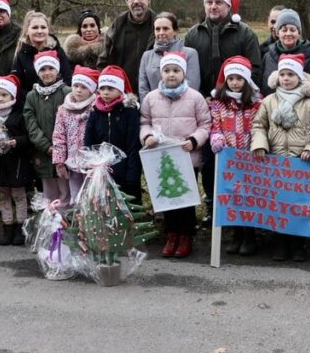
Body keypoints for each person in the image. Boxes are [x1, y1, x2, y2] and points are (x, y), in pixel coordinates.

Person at [184, 0, 262, 226]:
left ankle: (241, 209)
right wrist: (200, 96)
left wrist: (237, 95)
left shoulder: (245, 33)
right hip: (204, 106)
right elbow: (188, 71)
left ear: (228, 6)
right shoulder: (193, 34)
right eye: (209, 2)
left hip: (238, 107)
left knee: (240, 160)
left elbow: (255, 69)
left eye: (218, 2)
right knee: (209, 159)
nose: (213, 6)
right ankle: (212, 205)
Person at [251, 53, 310, 262]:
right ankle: (280, 242)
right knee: (278, 203)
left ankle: (298, 244)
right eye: (283, 74)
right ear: (277, 77)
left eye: (291, 74)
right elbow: (259, 125)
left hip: (302, 162)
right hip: (276, 160)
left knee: (299, 204)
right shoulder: (269, 101)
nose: (286, 78)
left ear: (300, 77)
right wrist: (260, 144)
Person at [140, 52, 210, 259]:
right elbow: (144, 122)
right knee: (166, 197)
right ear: (161, 73)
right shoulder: (151, 98)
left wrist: (194, 140)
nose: (171, 74)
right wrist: (147, 136)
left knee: (185, 198)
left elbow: (205, 124)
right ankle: (171, 235)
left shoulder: (195, 97)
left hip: (186, 156)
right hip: (161, 157)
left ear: (183, 73)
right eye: (167, 70)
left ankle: (186, 235)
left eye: (176, 70)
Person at [209, 56, 263, 257]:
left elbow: (260, 127)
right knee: (231, 196)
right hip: (229, 158)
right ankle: (235, 234)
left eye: (239, 78)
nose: (234, 82)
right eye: (230, 79)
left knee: (248, 197)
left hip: (250, 157)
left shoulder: (256, 103)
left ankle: (250, 236)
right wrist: (216, 138)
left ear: (246, 80)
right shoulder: (219, 103)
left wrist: (257, 146)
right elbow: (216, 125)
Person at [0, 74, 31, 246]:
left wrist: (17, 141)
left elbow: (28, 136)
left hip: (16, 162)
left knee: (18, 195)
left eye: (4, 95)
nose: (0, 98)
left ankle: (21, 227)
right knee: (3, 194)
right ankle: (7, 226)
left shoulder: (20, 113)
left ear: (12, 95)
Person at [84, 65, 142, 202]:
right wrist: (92, 164)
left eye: (110, 89)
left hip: (125, 168)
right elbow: (89, 140)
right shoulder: (95, 111)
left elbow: (133, 144)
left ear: (120, 89)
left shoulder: (129, 111)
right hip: (102, 169)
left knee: (127, 200)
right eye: (102, 88)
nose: (105, 93)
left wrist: (132, 173)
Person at [23, 50, 71, 208]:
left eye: (51, 68)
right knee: (49, 191)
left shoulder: (67, 92)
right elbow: (31, 123)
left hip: (64, 152)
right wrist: (45, 145)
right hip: (43, 152)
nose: (47, 72)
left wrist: (61, 148)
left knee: (66, 189)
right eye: (43, 69)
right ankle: (52, 219)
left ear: (57, 70)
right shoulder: (32, 96)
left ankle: (67, 218)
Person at [52, 66, 98, 203]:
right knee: (76, 196)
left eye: (84, 87)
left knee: (92, 196)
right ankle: (78, 215)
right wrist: (59, 161)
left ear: (92, 89)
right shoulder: (63, 110)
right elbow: (58, 136)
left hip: (92, 163)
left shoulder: (96, 108)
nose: (78, 90)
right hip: (73, 162)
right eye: (76, 86)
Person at [99, 0, 156, 82]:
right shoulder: (117, 25)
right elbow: (104, 59)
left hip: (152, 86)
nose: (136, 1)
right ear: (127, 1)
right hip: (121, 86)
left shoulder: (159, 25)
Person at [137, 12, 200, 102]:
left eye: (165, 28)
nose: (161, 32)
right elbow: (143, 88)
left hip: (183, 107)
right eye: (157, 29)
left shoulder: (190, 54)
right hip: (153, 107)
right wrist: (149, 107)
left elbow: (192, 85)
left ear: (175, 31)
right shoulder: (147, 56)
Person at [260, 8, 310, 96]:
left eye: (292, 30)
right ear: (278, 33)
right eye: (284, 30)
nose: (288, 33)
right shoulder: (267, 56)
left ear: (299, 33)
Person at [12, 11, 73, 97]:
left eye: (43, 27)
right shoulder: (21, 54)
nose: (39, 31)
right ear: (27, 31)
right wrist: (32, 100)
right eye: (35, 27)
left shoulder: (58, 51)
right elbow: (17, 85)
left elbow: (68, 79)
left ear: (48, 30)